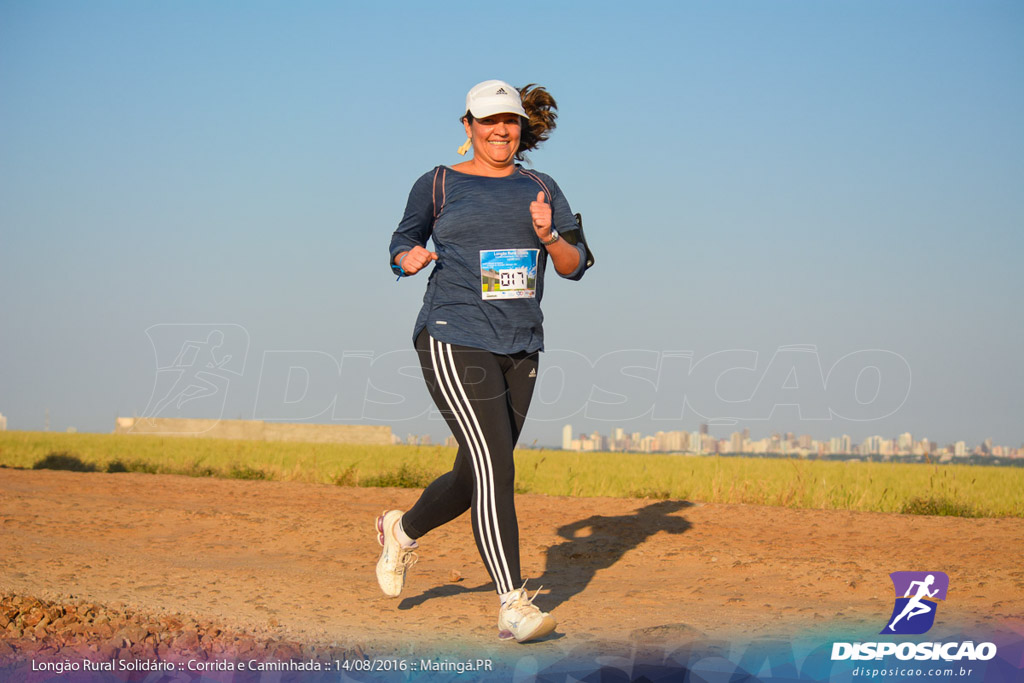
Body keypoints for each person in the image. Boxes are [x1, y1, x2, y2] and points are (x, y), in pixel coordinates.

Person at [378, 79, 588, 643]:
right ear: (468, 126)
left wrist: (548, 236)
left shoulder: (543, 187)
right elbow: (399, 246)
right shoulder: (439, 183)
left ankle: (402, 530)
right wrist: (411, 258)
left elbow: (574, 265)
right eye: (489, 120)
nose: (501, 130)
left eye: (511, 121)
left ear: (522, 128)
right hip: (453, 334)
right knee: (498, 465)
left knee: (478, 470)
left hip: (520, 343)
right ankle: (512, 602)